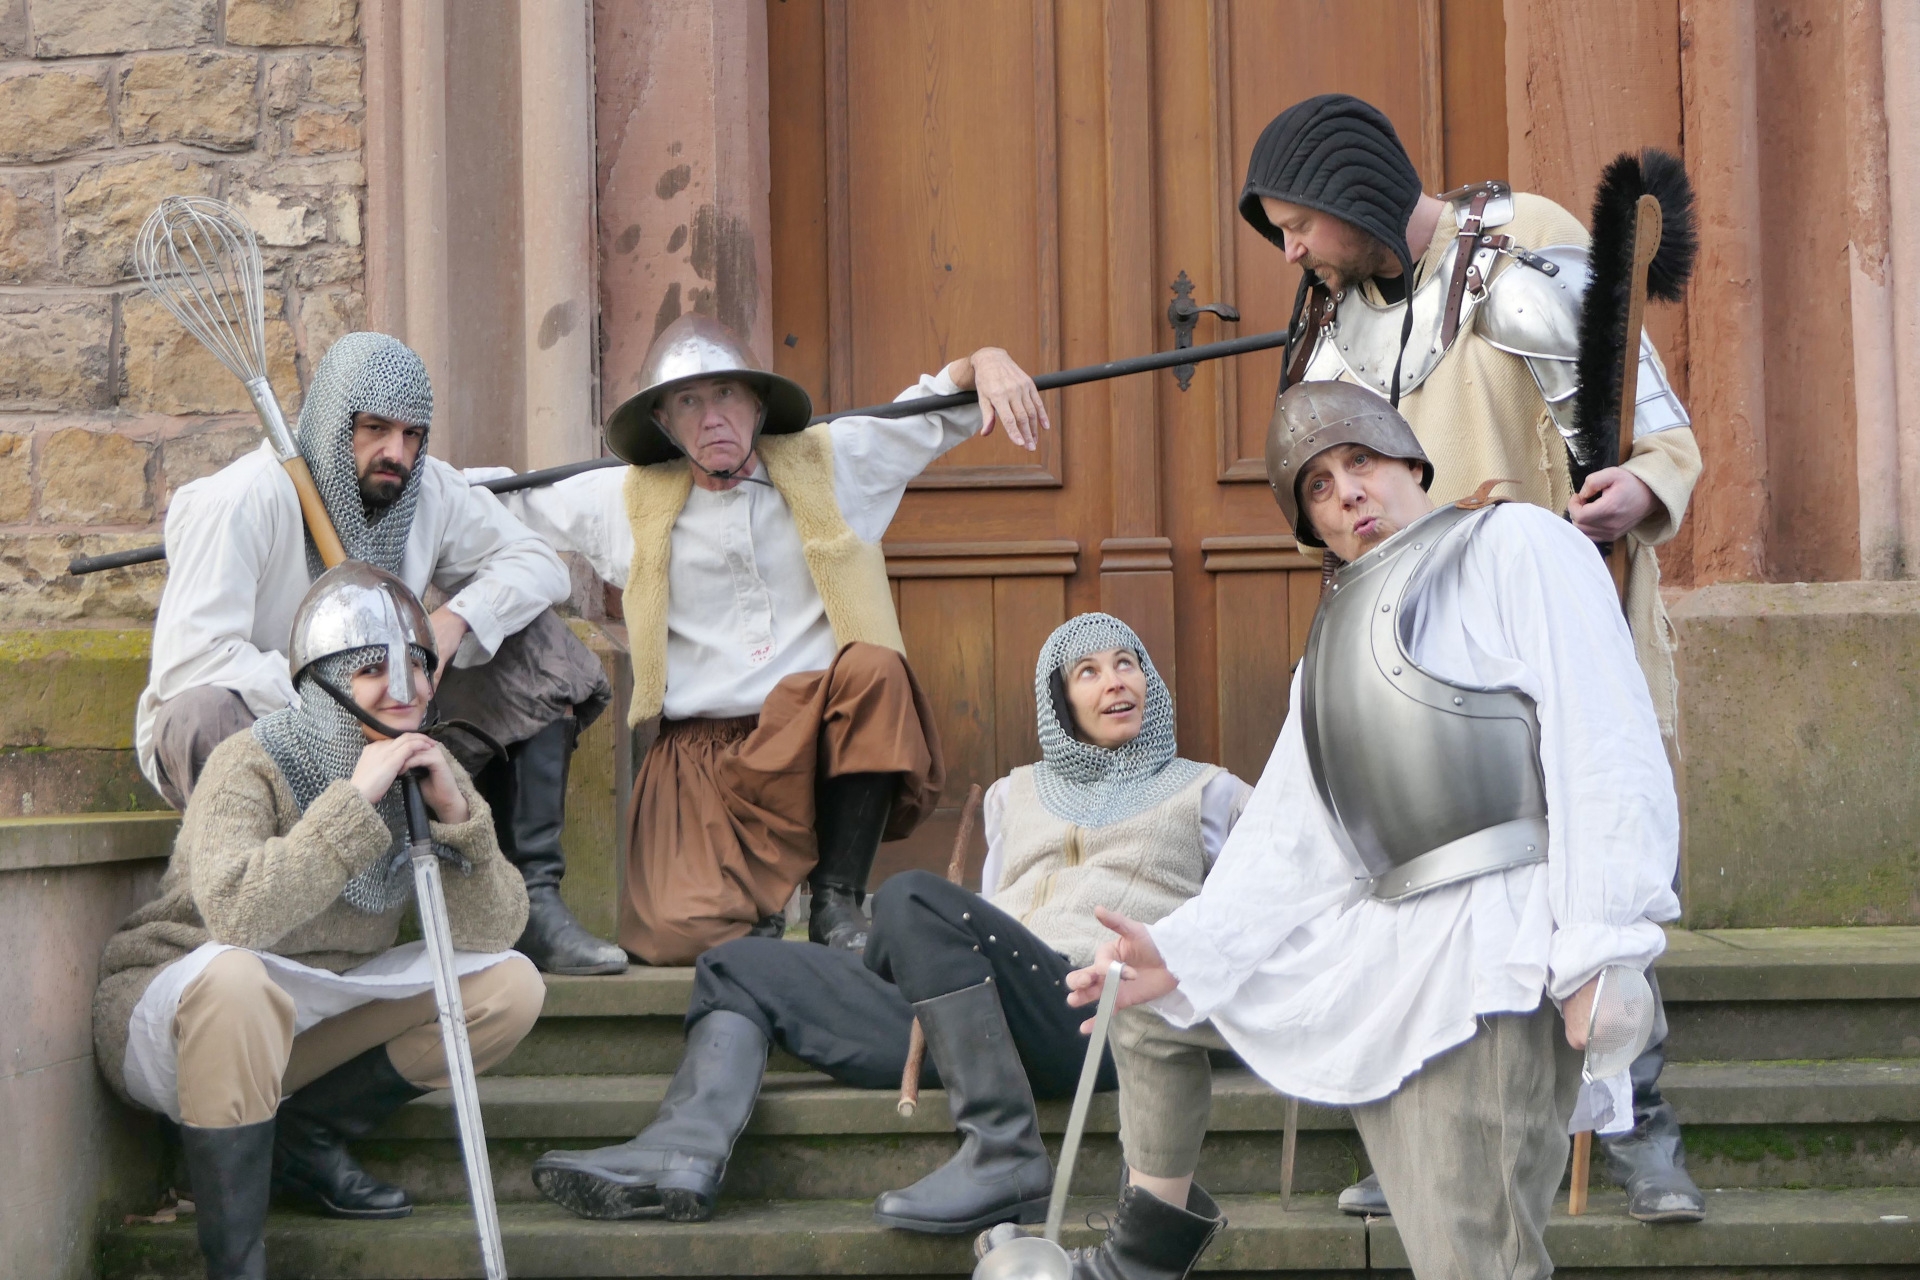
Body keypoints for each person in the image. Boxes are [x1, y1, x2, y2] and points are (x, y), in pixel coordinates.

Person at [1050, 383, 1680, 1279]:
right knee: (1155, 1012)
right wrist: (1189, 948)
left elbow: (1603, 738)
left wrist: (1602, 948)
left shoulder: (1517, 545)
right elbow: (1290, 837)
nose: (1345, 492)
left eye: (1361, 462)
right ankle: (1143, 1257)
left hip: (1490, 959)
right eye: (1316, 487)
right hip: (1378, 949)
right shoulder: (1333, 642)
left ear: (1412, 464)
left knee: (1473, 1264)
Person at [1239, 92, 1705, 1222]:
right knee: (1429, 891)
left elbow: (1655, 421)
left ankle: (1637, 1126)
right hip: (1419, 664)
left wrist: (1641, 485)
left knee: (1588, 863)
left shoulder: (1528, 236)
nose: (1290, 249)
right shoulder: (1331, 318)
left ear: (1357, 192)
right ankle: (1427, 1127)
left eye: (1299, 223)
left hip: (1547, 625)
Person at [529, 613, 1244, 1279]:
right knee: (737, 964)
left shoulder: (1208, 793)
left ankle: (1004, 1153)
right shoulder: (1012, 794)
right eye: (1087, 671)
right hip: (981, 1027)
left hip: (1096, 1016)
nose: (1114, 680)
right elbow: (991, 915)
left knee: (907, 895)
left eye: (1127, 664)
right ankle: (681, 1149)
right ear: (1059, 701)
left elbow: (1256, 923)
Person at [494, 314, 1049, 964]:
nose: (713, 418)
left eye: (727, 394)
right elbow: (498, 499)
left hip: (813, 735)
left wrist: (981, 358)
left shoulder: (831, 462)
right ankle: (743, 908)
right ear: (665, 424)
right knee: (679, 941)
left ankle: (836, 899)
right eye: (690, 402)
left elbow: (923, 415)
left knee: (873, 670)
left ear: (758, 404)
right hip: (701, 753)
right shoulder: (625, 500)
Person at [93, 563, 545, 1280]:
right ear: (324, 681)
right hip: (186, 1008)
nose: (407, 690)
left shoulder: (430, 768)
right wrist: (353, 803)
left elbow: (494, 930)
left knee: (510, 985)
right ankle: (235, 1265)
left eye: (420, 669)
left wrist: (460, 823)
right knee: (238, 977)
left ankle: (304, 1135)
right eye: (374, 669)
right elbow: (238, 915)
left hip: (313, 1013)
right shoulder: (251, 762)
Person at [135, 332, 626, 977]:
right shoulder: (241, 502)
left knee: (540, 646)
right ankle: (276, 930)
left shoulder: (428, 491)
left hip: (391, 717)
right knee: (198, 713)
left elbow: (537, 564)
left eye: (411, 434)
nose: (395, 452)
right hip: (266, 735)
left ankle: (530, 901)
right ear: (338, 421)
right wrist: (331, 697)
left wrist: (453, 619)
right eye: (374, 430)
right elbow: (189, 664)